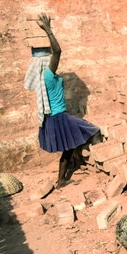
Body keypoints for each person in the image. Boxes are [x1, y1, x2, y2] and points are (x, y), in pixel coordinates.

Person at [23, 13, 101, 188]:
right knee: (94, 131)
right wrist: (48, 30)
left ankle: (61, 181)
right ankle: (102, 164)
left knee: (69, 148)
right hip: (60, 119)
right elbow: (58, 51)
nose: (53, 61)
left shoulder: (43, 79)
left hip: (53, 119)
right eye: (49, 59)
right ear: (45, 63)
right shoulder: (48, 76)